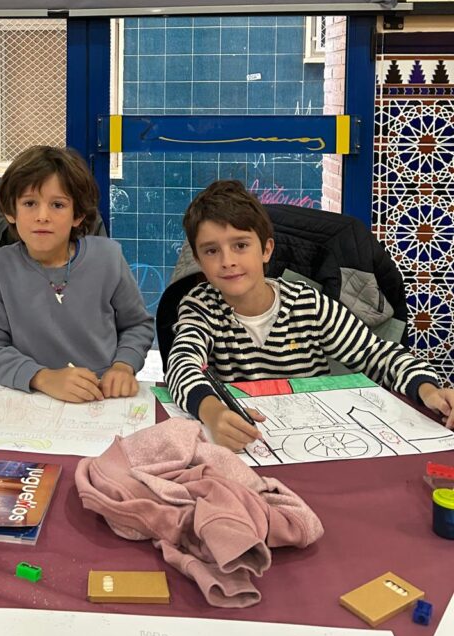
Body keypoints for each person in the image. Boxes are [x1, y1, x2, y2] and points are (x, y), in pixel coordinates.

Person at [166, 179, 454, 451]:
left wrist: (429, 390)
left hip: (314, 442)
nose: (227, 261)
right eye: (211, 251)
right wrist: (213, 412)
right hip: (243, 445)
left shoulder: (307, 304)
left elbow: (378, 355)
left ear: (266, 249)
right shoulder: (199, 307)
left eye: (240, 245)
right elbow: (181, 365)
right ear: (199, 260)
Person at [0, 146, 153, 402]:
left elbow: (137, 325)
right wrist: (42, 377)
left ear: (77, 215)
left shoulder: (108, 258)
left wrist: (124, 366)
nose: (42, 216)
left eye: (58, 205)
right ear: (11, 212)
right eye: (29, 203)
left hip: (102, 395)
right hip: (31, 395)